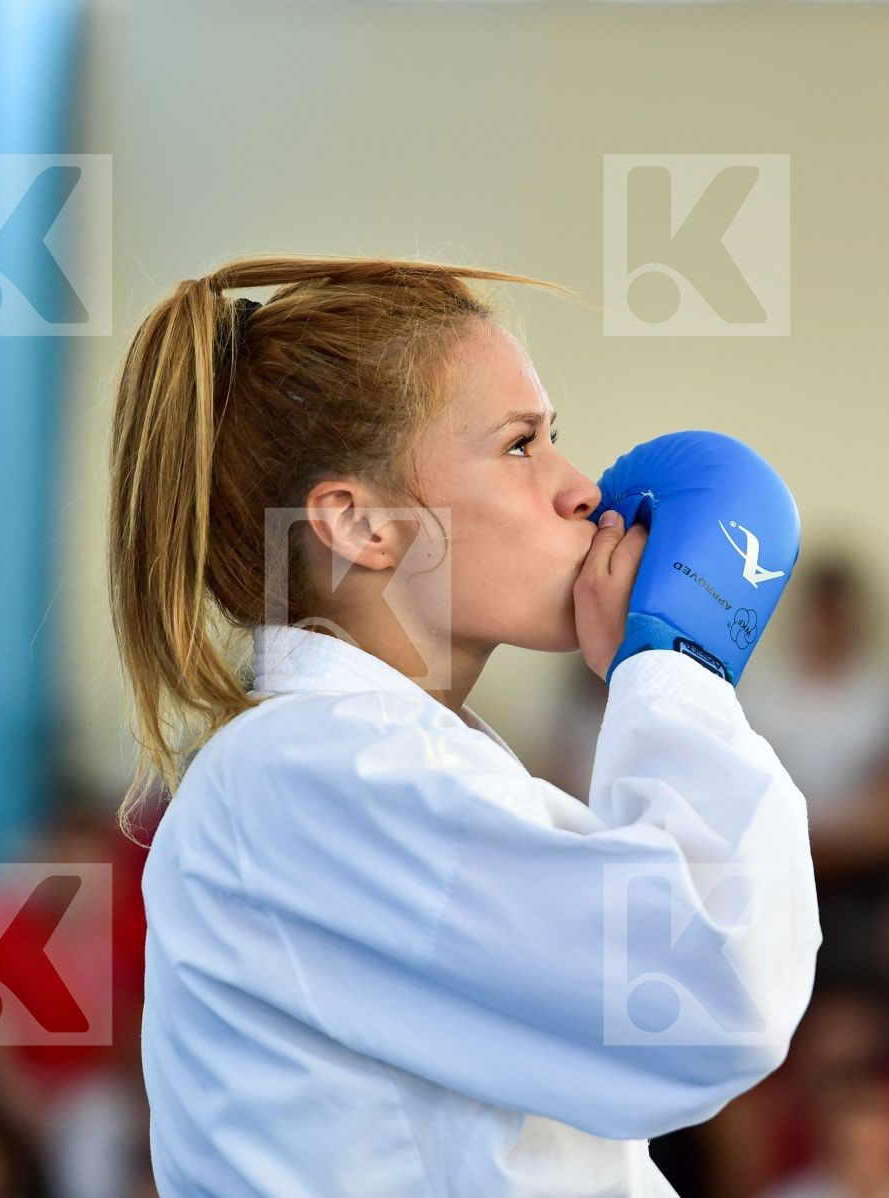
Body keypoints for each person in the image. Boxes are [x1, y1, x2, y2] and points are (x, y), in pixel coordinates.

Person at [107, 255, 821, 1196]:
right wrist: (677, 670)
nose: (583, 490)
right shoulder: (309, 771)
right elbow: (707, 997)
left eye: (558, 437)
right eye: (521, 445)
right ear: (360, 525)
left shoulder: (378, 760)